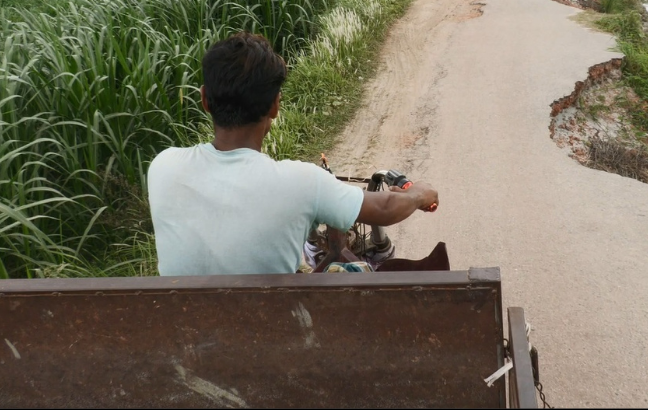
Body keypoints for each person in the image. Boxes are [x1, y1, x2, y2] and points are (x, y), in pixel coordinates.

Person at [148, 32, 438, 276]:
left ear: (204, 100)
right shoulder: (302, 182)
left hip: (180, 337)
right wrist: (419, 194)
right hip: (272, 336)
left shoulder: (163, 167)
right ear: (275, 106)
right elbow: (385, 208)